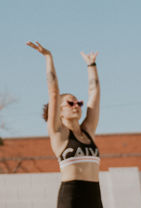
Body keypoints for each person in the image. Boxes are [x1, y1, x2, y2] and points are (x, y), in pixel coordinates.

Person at [26, 42, 102, 208]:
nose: (76, 106)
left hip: (95, 197)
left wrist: (91, 65)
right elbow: (53, 92)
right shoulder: (59, 133)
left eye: (78, 103)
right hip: (72, 197)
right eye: (70, 103)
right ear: (59, 111)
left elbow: (94, 93)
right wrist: (48, 57)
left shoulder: (88, 130)